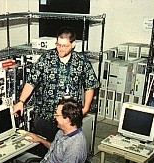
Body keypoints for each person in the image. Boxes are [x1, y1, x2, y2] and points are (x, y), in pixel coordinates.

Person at [13, 26, 99, 155]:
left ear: (73, 44)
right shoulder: (46, 58)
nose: (60, 49)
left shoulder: (82, 62)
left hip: (68, 119)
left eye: (64, 46)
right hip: (44, 116)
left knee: (66, 153)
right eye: (58, 45)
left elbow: (90, 85)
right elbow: (31, 81)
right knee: (42, 153)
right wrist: (21, 101)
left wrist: (86, 108)